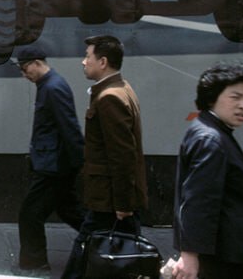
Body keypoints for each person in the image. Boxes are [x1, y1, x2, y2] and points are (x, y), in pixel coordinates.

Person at [61, 35, 147, 279]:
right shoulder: (121, 89)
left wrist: (123, 205)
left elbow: (122, 156)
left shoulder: (109, 97)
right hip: (110, 199)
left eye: (88, 56)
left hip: (108, 201)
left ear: (103, 62)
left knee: (86, 257)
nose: (83, 62)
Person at [172, 63, 243, 279]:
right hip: (224, 257)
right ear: (212, 97)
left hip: (223, 252)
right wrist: (189, 255)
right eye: (235, 97)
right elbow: (199, 200)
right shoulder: (212, 139)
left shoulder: (210, 131)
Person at [13, 44, 84, 276]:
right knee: (69, 211)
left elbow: (69, 128)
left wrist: (79, 163)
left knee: (30, 213)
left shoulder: (53, 88)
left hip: (53, 166)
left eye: (25, 69)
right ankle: (102, 241)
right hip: (55, 163)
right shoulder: (50, 85)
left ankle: (34, 263)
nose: (25, 75)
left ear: (36, 62)